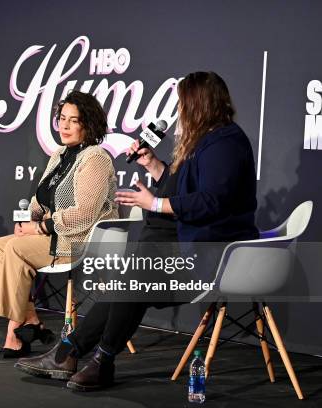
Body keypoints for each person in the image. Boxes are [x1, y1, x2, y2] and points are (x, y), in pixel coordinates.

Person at [14, 71, 259, 391]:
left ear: (199, 103)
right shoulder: (205, 140)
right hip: (182, 247)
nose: (180, 110)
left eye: (183, 102)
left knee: (133, 278)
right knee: (128, 277)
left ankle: (93, 359)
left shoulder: (225, 142)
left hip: (212, 256)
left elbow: (211, 202)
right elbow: (184, 191)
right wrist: (154, 165)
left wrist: (154, 204)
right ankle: (72, 354)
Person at [0, 90, 118, 358]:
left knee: (15, 250)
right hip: (55, 234)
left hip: (81, 240)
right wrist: (29, 220)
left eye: (74, 120)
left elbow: (84, 213)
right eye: (62, 119)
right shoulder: (60, 154)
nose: (65, 125)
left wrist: (39, 228)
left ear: (89, 124)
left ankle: (14, 331)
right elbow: (41, 199)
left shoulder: (95, 157)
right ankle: (31, 318)